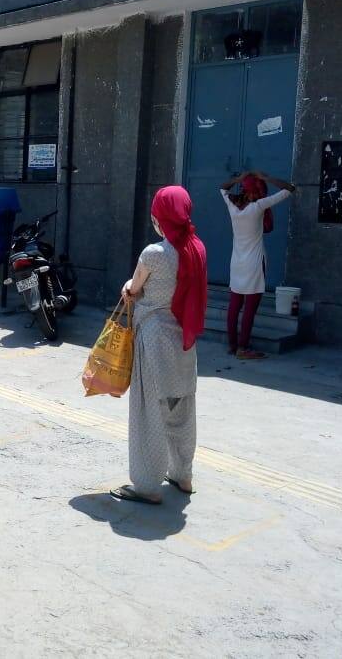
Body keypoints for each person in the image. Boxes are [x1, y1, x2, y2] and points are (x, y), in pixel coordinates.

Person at [111, 186, 207, 505]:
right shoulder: (197, 249)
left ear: (160, 216)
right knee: (182, 407)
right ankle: (183, 474)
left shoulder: (154, 253)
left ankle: (148, 485)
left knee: (148, 410)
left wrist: (128, 286)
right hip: (184, 342)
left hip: (153, 339)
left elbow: (134, 289)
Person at [220, 170, 296, 360]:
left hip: (236, 264)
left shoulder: (232, 206)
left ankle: (232, 345)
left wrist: (239, 179)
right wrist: (266, 177)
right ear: (257, 191)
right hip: (254, 264)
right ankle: (243, 348)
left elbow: (222, 188)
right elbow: (289, 189)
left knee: (234, 306)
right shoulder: (259, 206)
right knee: (250, 309)